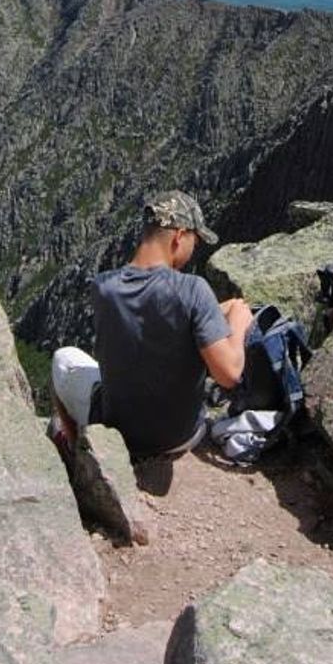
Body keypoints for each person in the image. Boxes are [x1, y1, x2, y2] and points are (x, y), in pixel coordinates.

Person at [51, 190, 253, 461]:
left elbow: (149, 316)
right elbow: (229, 374)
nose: (194, 251)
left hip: (119, 433)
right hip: (181, 436)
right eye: (195, 240)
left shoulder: (103, 287)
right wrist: (238, 321)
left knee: (62, 357)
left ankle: (79, 452)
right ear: (179, 236)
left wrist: (213, 311)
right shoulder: (193, 290)